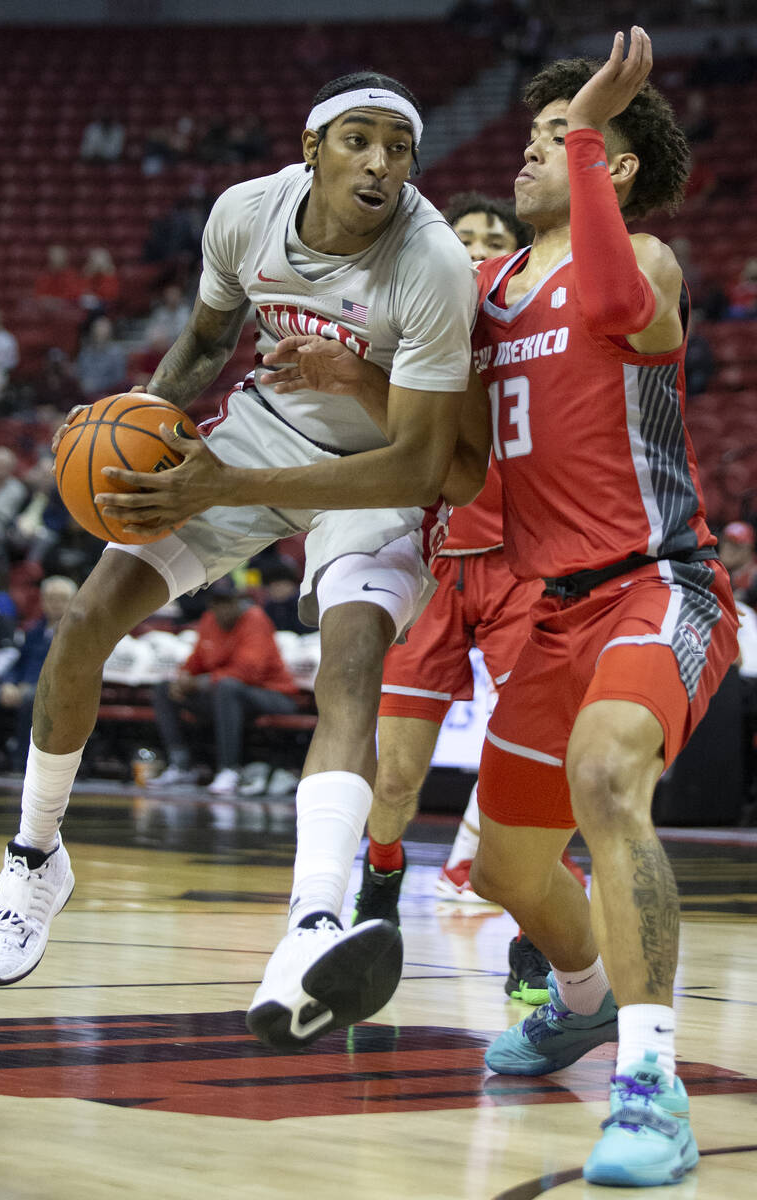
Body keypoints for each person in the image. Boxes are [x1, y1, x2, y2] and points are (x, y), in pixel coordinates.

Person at [0, 72, 481, 1058]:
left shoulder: (431, 264)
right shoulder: (244, 214)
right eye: (358, 140)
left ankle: (312, 926)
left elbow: (423, 465)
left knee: (347, 666)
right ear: (311, 146)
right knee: (88, 620)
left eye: (398, 149)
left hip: (371, 475)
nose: (380, 163)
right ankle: (35, 858)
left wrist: (230, 476)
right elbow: (206, 342)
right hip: (249, 438)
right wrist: (143, 440)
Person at [465, 31, 736, 1188]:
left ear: (604, 166)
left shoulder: (646, 261)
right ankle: (579, 1002)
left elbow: (625, 300)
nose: (526, 159)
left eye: (555, 144)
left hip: (655, 581)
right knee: (505, 874)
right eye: (533, 139)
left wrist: (582, 133)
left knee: (607, 779)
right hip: (546, 612)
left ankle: (649, 1089)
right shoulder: (483, 292)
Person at [264, 194, 577, 1005]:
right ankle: (382, 877)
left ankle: (539, 928)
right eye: (461, 240)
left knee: (539, 767)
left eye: (490, 242)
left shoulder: (534, 330)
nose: (473, 253)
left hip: (520, 566)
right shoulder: (408, 331)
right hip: (429, 560)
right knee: (395, 777)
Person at [147, 578, 301, 796]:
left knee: (227, 688)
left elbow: (249, 671)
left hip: (274, 695)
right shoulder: (209, 620)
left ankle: (229, 769)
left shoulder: (255, 619)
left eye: (228, 602)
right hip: (225, 694)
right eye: (217, 603)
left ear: (238, 602)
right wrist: (183, 679)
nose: (223, 609)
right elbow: (196, 661)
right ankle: (180, 765)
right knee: (164, 688)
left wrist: (200, 682)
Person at [0, 576, 76, 771]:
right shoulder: (34, 630)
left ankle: (21, 765)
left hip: (50, 690)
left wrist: (31, 686)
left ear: (73, 601)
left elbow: (69, 670)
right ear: (43, 601)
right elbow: (16, 662)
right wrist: (8, 683)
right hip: (19, 686)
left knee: (32, 701)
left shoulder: (76, 634)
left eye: (61, 599)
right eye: (51, 598)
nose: (55, 604)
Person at [718, 520, 757, 607]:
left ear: (748, 549)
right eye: (725, 542)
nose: (727, 549)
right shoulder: (718, 571)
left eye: (734, 545)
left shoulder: (753, 577)